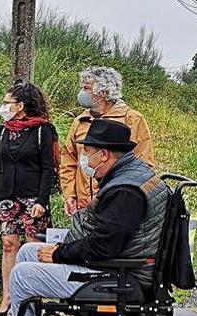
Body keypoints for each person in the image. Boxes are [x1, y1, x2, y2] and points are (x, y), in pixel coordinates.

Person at [0, 119, 170, 316]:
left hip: (120, 276)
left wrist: (60, 254)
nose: (85, 160)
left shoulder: (126, 190)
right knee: (28, 251)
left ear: (104, 155)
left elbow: (104, 247)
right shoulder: (132, 175)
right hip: (117, 264)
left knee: (22, 275)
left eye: (88, 153)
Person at [0, 81, 57, 316]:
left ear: (21, 106)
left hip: (33, 198)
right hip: (8, 197)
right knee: (8, 245)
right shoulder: (3, 130)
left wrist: (42, 201)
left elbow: (49, 169)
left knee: (31, 249)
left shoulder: (43, 131)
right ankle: (7, 297)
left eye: (8, 103)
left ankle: (32, 300)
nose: (4, 107)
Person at [60, 66, 155, 217]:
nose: (81, 93)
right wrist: (70, 195)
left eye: (86, 88)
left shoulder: (131, 119)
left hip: (115, 205)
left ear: (103, 93)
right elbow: (68, 160)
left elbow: (143, 164)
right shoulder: (80, 121)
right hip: (83, 208)